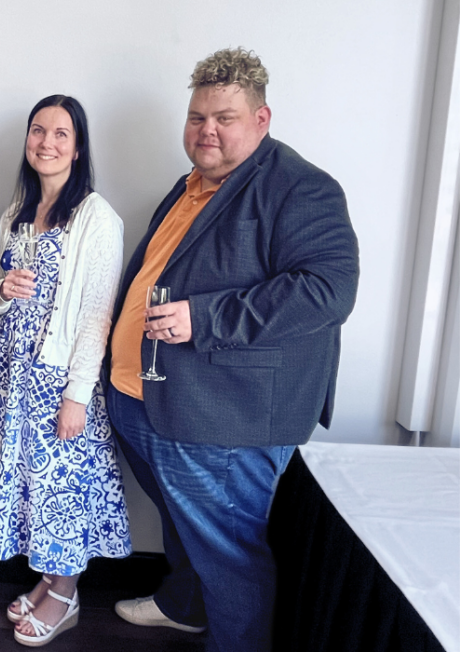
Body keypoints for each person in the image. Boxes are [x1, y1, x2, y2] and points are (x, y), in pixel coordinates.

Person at [104, 48, 360, 652]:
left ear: (261, 119)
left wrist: (205, 318)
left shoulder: (301, 187)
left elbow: (328, 291)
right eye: (197, 117)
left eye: (225, 118)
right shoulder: (191, 184)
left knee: (230, 555)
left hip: (223, 416)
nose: (207, 131)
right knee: (184, 525)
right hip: (146, 397)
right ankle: (185, 606)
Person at [0, 95, 132, 647]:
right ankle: (48, 581)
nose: (47, 143)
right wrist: (2, 289)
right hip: (13, 373)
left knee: (62, 489)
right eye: (38, 131)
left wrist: (77, 395)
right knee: (33, 486)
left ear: (79, 147)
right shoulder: (16, 213)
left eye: (61, 134)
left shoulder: (95, 216)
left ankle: (65, 597)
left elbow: (96, 314)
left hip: (58, 377)